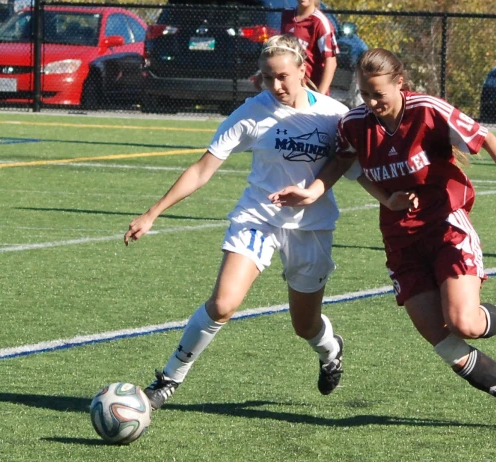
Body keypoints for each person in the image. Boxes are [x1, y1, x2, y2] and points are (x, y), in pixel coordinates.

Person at [269, 48, 496, 435]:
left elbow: (487, 139)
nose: (371, 102)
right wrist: (322, 191)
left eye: (378, 94)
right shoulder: (355, 124)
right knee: (442, 340)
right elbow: (343, 162)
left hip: (445, 226)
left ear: (399, 83)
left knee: (463, 322)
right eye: (364, 94)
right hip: (401, 241)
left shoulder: (428, 110)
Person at [124, 34, 352, 410]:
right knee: (223, 304)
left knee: (305, 326)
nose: (275, 85)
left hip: (311, 226)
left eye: (282, 76)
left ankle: (330, 350)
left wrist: (395, 199)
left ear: (302, 71)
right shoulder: (251, 112)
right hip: (257, 219)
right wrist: (153, 212)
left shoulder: (333, 115)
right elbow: (202, 169)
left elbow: (357, 166)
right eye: (266, 77)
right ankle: (168, 379)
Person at [280, 0, 339, 95]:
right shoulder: (287, 15)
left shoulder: (320, 23)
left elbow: (331, 61)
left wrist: (320, 96)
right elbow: (280, 50)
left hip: (310, 92)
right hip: (289, 90)